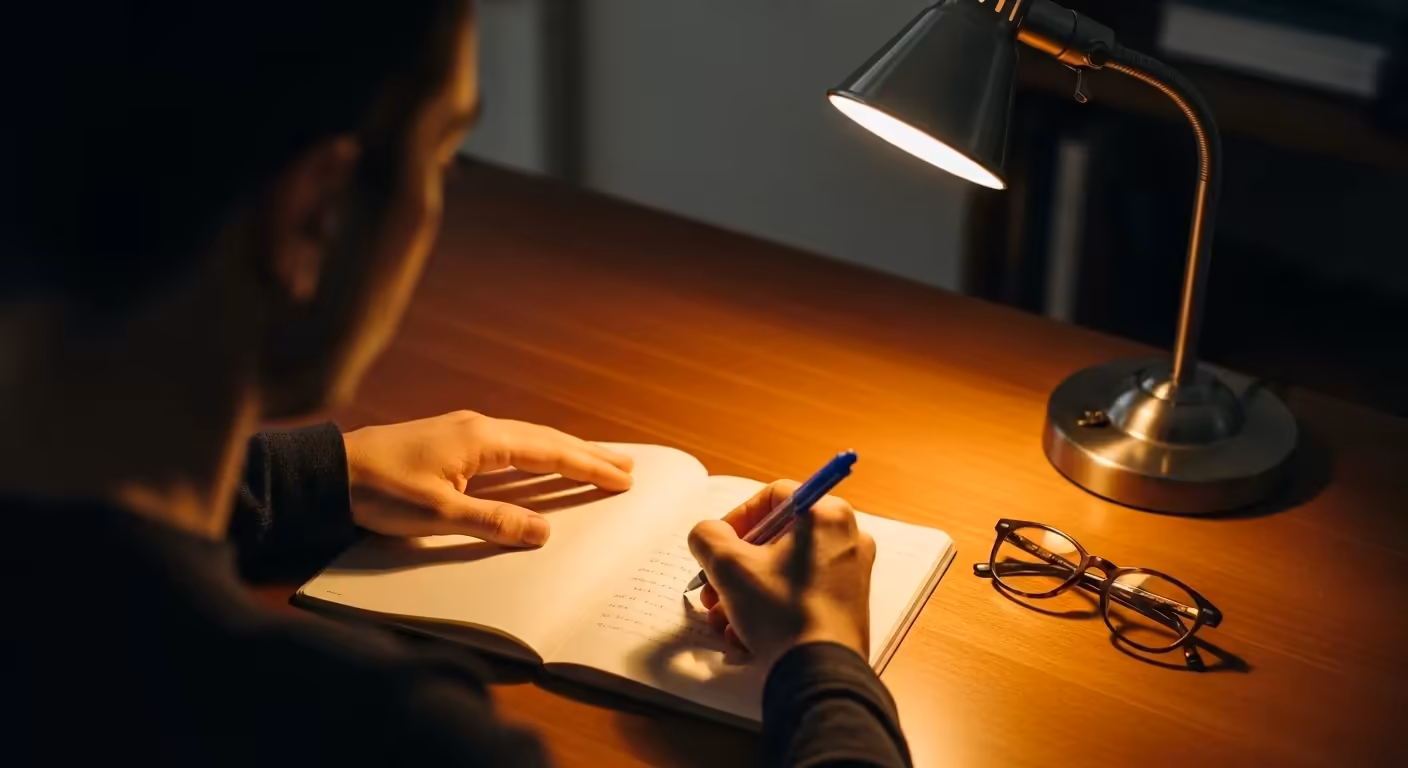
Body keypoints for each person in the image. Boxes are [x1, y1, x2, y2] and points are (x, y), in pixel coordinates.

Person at [2, 1, 912, 766]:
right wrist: (825, 663)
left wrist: (311, 476)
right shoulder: (373, 738)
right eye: (444, 154)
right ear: (314, 215)